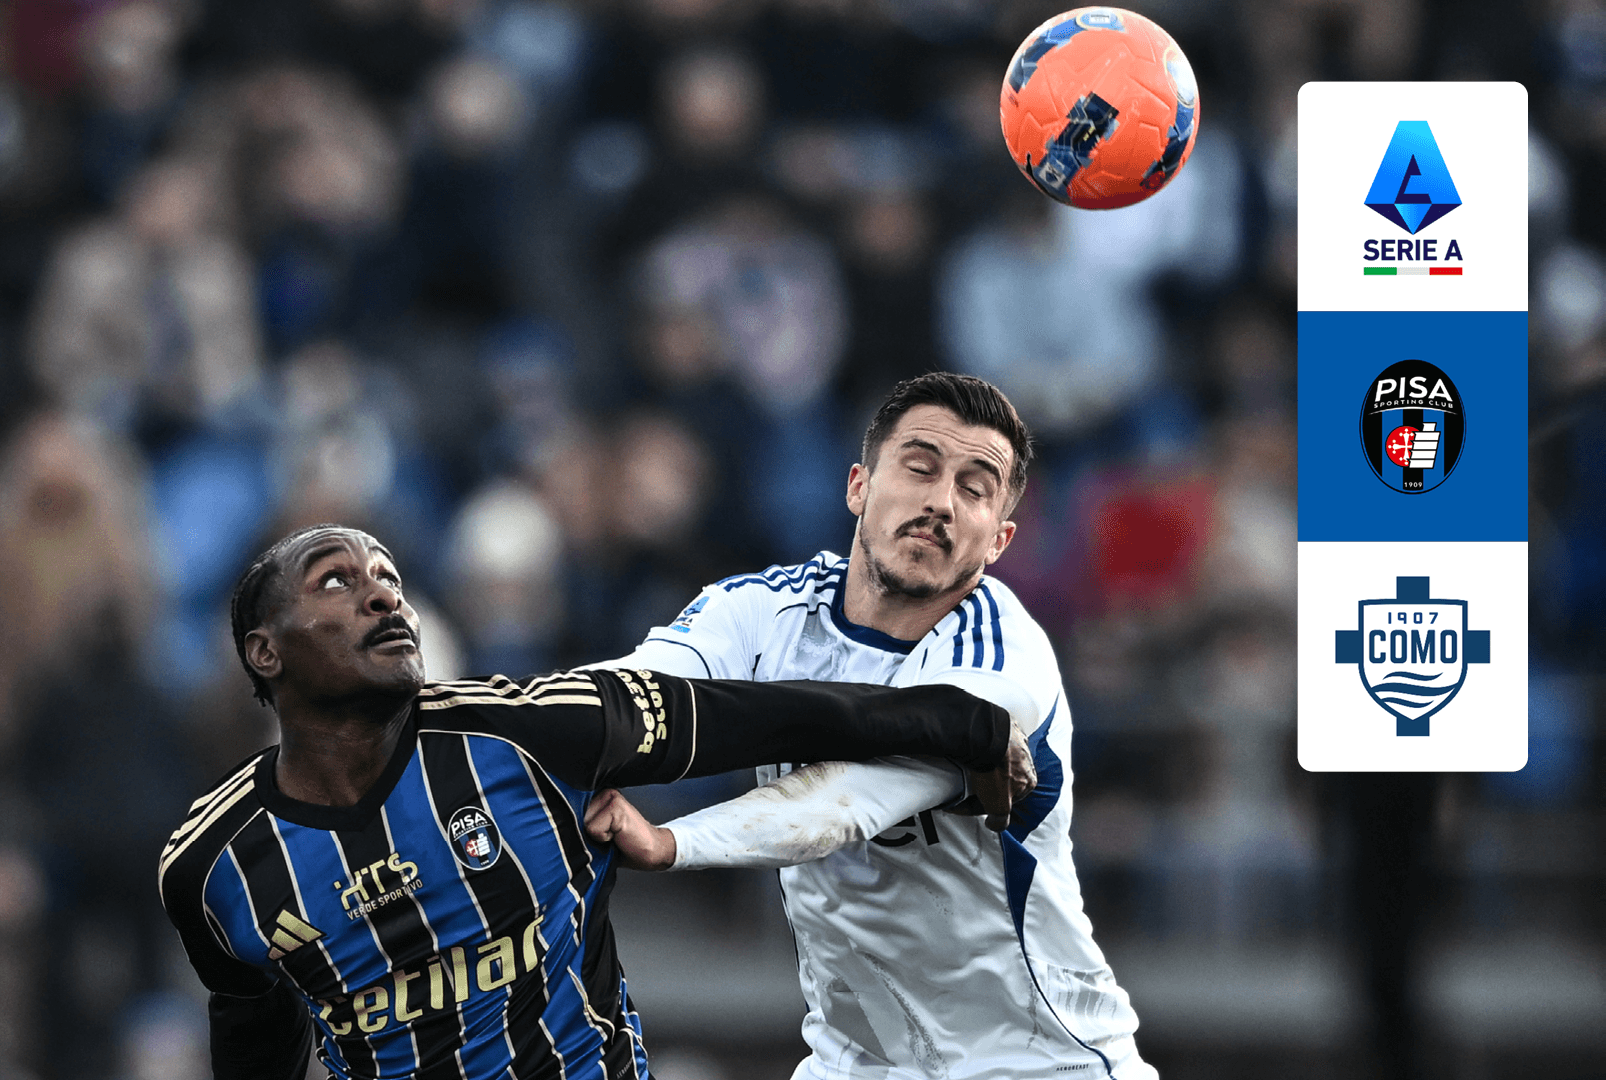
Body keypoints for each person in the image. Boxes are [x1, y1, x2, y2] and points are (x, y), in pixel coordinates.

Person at [158, 523, 1033, 1080]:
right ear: (265, 653)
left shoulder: (532, 732)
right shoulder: (210, 868)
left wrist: (955, 721)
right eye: (335, 582)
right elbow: (255, 1036)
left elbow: (757, 717)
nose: (384, 593)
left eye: (389, 575)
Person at [583, 373, 1156, 1080]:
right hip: (856, 1061)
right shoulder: (760, 611)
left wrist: (674, 842)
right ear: (858, 486)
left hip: (1036, 1063)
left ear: (999, 540)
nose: (941, 501)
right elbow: (624, 699)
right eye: (919, 468)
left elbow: (841, 804)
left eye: (975, 489)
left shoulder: (1000, 657)